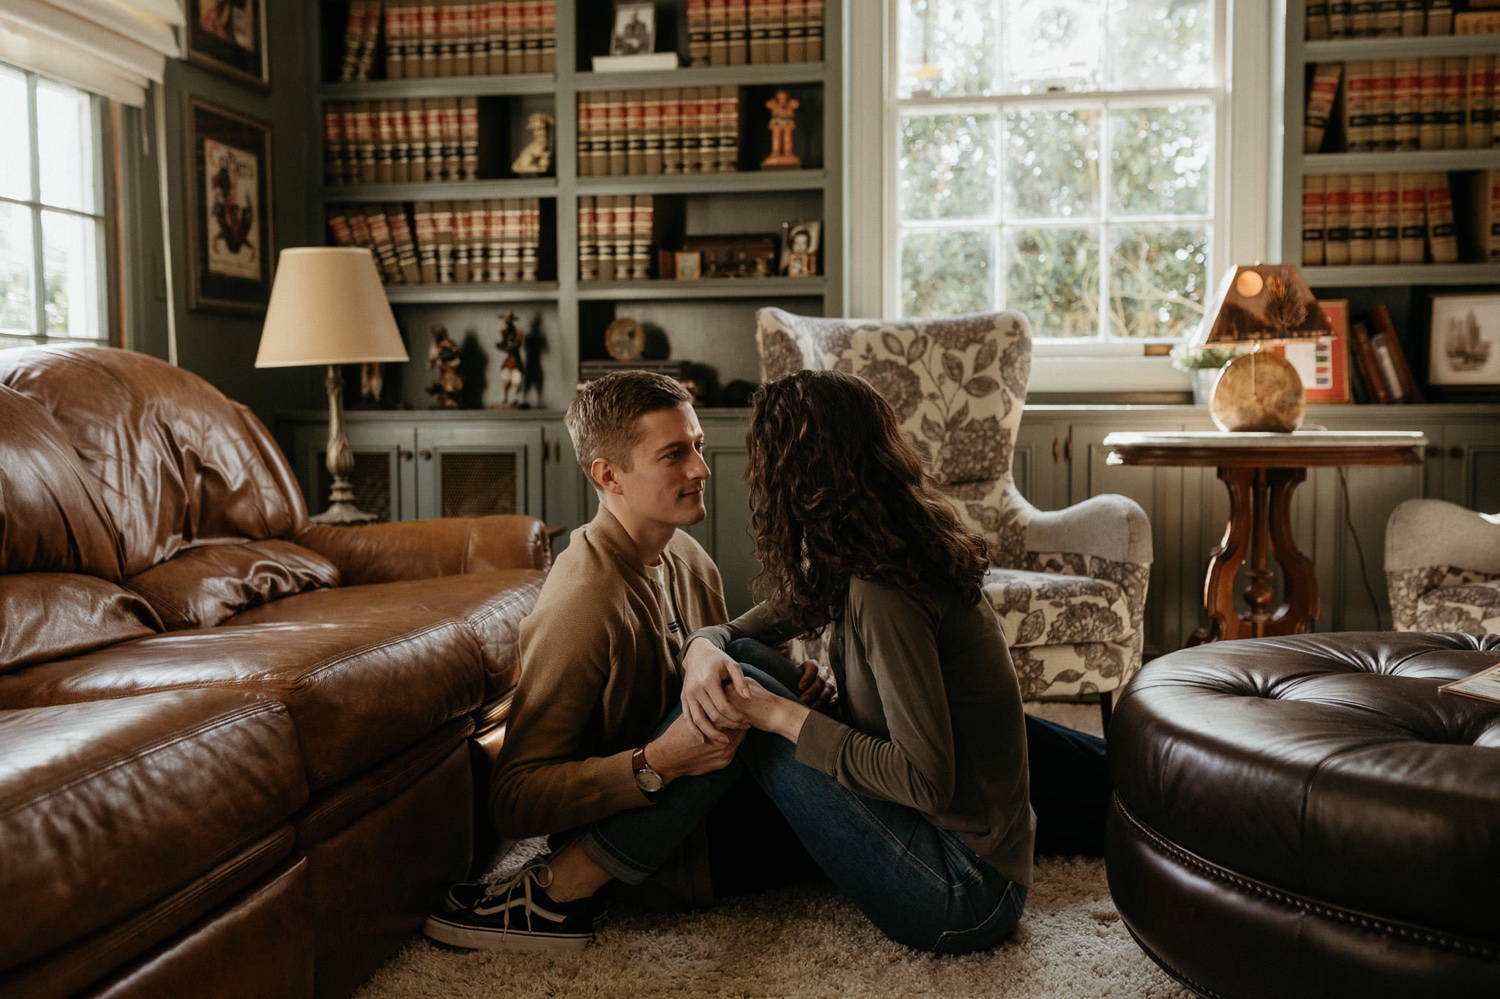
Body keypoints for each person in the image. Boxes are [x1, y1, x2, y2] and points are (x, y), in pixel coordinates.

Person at [677, 369, 1109, 954]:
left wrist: (779, 716)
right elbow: (752, 627)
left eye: (764, 462)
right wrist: (702, 645)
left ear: (795, 476)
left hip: (966, 892)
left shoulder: (885, 590)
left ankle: (637, 865)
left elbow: (927, 782)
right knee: (741, 660)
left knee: (748, 696)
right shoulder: (877, 548)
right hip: (964, 856)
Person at [423, 371, 831, 953]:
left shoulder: (686, 553)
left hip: (720, 800)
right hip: (674, 854)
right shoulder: (584, 598)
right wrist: (657, 761)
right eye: (674, 454)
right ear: (608, 474)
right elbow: (514, 799)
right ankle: (553, 897)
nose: (701, 468)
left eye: (695, 445)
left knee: (750, 664)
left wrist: (789, 693)